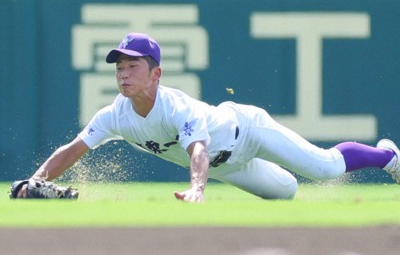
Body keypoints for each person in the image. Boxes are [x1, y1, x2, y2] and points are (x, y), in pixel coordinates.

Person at [16, 32, 400, 202]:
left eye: (132, 66)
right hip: (227, 167)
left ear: (156, 74)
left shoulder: (175, 107)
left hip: (247, 132)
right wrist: (35, 181)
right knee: (287, 192)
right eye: (119, 67)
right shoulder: (115, 115)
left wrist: (198, 188)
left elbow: (197, 150)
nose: (122, 73)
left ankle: (389, 157)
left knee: (324, 168)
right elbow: (74, 148)